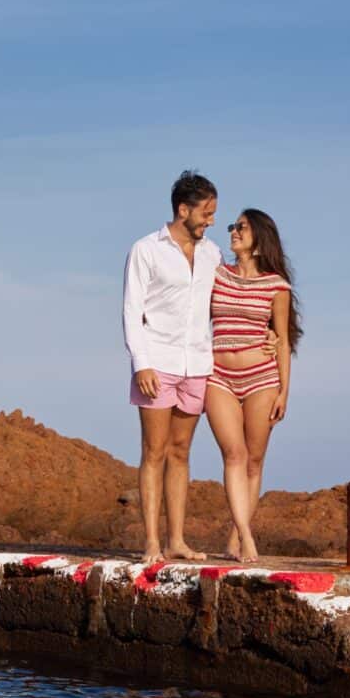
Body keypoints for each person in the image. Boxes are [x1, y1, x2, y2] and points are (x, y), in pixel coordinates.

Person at [122, 171, 224, 564]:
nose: (211, 220)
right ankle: (151, 542)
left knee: (181, 452)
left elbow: (226, 303)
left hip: (197, 364)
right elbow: (132, 310)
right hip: (157, 363)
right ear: (183, 210)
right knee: (154, 451)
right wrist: (141, 363)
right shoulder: (146, 249)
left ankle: (176, 540)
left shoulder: (213, 254)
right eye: (206, 213)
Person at [206, 208, 303, 562]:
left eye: (241, 227)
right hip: (218, 376)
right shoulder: (216, 274)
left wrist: (284, 392)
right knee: (234, 454)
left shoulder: (277, 286)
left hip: (262, 379)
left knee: (254, 460)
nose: (233, 231)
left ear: (259, 239)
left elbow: (282, 339)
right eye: (233, 226)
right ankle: (247, 536)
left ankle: (235, 536)